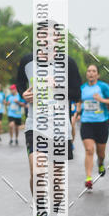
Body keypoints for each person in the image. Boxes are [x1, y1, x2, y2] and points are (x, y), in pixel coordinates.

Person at [16, 48, 82, 195]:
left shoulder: (68, 62)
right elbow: (20, 82)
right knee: (37, 172)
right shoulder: (27, 60)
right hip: (35, 124)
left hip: (59, 126)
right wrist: (23, 94)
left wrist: (57, 87)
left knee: (57, 177)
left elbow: (77, 93)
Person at [76, 65, 109, 190]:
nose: (91, 73)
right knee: (89, 150)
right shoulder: (82, 88)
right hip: (86, 123)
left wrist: (101, 99)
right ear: (86, 74)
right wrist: (77, 111)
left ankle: (101, 163)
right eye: (89, 71)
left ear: (97, 75)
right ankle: (88, 178)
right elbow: (79, 102)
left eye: (93, 71)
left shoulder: (103, 86)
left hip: (101, 123)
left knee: (101, 153)